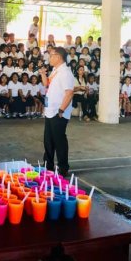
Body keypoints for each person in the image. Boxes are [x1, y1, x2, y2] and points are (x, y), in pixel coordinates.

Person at [39, 47, 74, 177]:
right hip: (50, 110)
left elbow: (69, 93)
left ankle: (63, 167)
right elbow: (46, 84)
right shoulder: (56, 70)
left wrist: (61, 110)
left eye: (51, 55)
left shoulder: (65, 73)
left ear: (58, 57)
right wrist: (43, 73)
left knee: (59, 140)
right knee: (48, 139)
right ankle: (48, 165)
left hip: (58, 112)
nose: (49, 57)